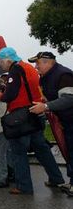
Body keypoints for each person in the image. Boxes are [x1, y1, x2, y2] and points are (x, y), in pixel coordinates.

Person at [0, 47, 65, 195]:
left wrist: (1, 95)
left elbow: (11, 94)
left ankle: (24, 186)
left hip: (21, 116)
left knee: (18, 151)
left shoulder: (15, 69)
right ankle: (56, 178)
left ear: (8, 59)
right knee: (41, 149)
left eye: (1, 61)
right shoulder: (29, 68)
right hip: (34, 111)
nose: (1, 64)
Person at [28, 51, 73, 196]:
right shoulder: (45, 78)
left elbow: (69, 99)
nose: (36, 67)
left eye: (38, 63)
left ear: (48, 62)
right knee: (69, 151)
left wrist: (46, 107)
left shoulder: (63, 75)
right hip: (65, 120)